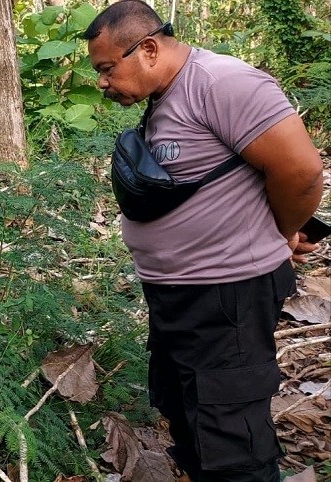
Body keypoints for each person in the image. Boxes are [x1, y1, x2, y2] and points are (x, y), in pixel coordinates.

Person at [82, 2, 323, 481]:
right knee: (185, 410)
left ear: (148, 48)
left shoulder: (223, 83)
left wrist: (279, 235)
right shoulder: (166, 94)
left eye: (108, 68)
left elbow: (301, 170)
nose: (103, 83)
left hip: (226, 293)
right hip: (177, 294)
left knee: (230, 434)